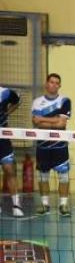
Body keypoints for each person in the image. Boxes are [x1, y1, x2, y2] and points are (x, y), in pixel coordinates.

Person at [31, 73, 72, 216]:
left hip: (60, 146)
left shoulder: (65, 101)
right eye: (51, 82)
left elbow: (61, 124)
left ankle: (63, 205)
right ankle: (45, 205)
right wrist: (54, 120)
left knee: (64, 177)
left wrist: (43, 119)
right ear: (46, 84)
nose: (54, 85)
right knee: (43, 177)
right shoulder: (37, 102)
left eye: (56, 83)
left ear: (59, 86)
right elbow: (36, 123)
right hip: (42, 146)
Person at [0, 86, 23, 217]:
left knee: (9, 170)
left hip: (3, 139)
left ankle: (16, 205)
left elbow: (17, 101)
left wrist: (7, 113)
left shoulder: (6, 92)